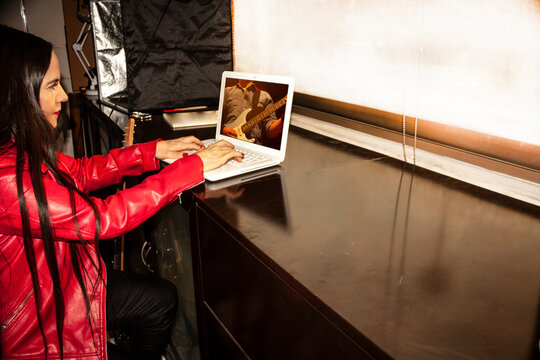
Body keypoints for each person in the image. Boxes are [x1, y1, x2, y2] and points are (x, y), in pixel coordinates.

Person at [0, 25, 242, 360]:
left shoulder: (18, 148)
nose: (64, 96)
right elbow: (103, 219)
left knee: (161, 301)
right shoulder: (7, 179)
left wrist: (152, 152)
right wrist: (192, 167)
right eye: (53, 85)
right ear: (17, 94)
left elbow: (81, 172)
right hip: (45, 326)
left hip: (71, 281)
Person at [221, 80, 284, 146]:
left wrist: (283, 119)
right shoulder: (226, 92)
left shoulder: (265, 96)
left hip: (253, 146)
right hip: (227, 143)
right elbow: (216, 117)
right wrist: (222, 129)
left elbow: (271, 132)